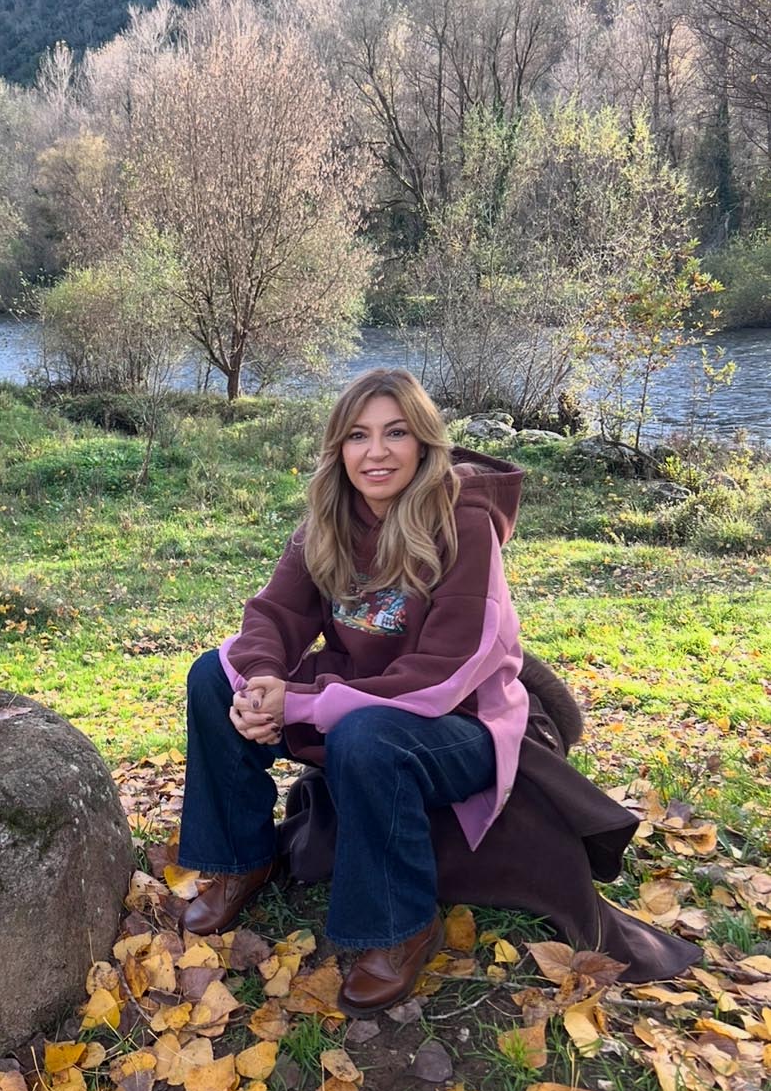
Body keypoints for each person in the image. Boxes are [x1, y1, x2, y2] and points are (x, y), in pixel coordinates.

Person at [176, 367, 697, 1015]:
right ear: (339, 448)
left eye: (395, 433)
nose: (376, 451)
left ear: (424, 443)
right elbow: (275, 615)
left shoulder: (464, 524)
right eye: (358, 435)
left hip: (458, 724)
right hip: (358, 699)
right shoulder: (327, 523)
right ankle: (240, 860)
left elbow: (444, 674)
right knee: (212, 675)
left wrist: (304, 704)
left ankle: (401, 927)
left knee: (367, 735)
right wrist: (259, 683)